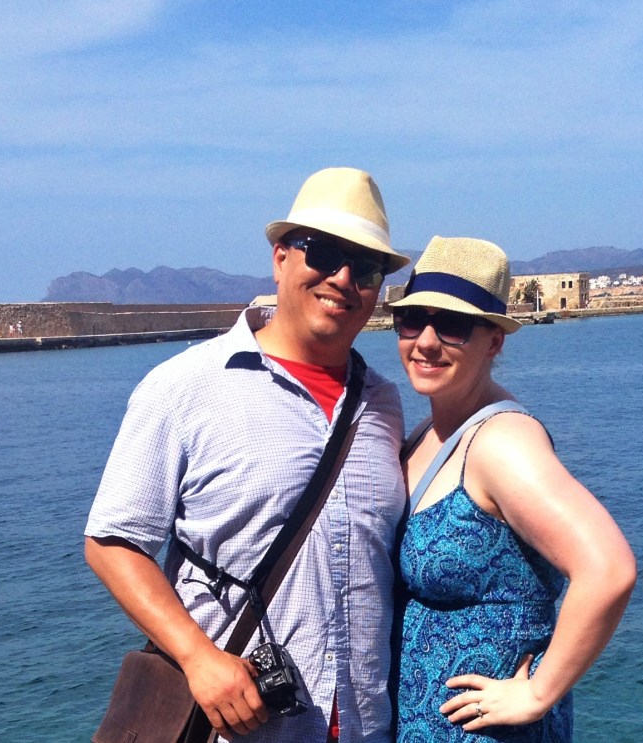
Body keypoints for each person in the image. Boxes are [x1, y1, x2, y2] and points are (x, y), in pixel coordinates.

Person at [85, 167, 410, 742]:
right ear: (282, 257)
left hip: (364, 727)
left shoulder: (383, 403)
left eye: (365, 268)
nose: (342, 278)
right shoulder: (184, 387)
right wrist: (198, 658)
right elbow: (113, 542)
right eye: (325, 253)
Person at [388, 236, 636, 742]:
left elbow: (608, 569)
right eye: (413, 321)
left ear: (494, 341)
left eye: (453, 325)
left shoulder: (502, 444)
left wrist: (537, 694)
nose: (426, 341)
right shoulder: (428, 432)